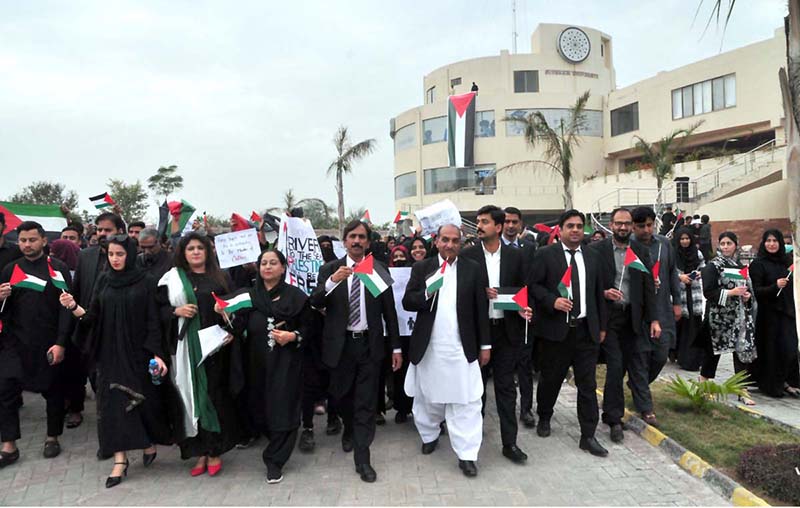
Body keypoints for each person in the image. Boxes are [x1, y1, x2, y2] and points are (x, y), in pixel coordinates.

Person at [59, 235, 171, 488]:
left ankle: (147, 443)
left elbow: (154, 321)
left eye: (120, 254)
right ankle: (120, 460)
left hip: (138, 352)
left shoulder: (147, 281)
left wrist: (156, 353)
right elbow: (91, 317)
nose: (115, 259)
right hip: (109, 353)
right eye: (111, 254)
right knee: (112, 405)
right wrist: (74, 306)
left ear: (130, 254)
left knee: (143, 402)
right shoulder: (104, 280)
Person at [309, 220, 401, 483]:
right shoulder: (330, 269)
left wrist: (395, 346)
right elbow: (314, 301)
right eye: (352, 237)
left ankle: (363, 457)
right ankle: (348, 427)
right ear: (345, 240)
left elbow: (389, 314)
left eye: (362, 237)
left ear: (368, 242)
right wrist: (330, 283)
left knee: (365, 402)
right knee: (340, 397)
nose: (357, 241)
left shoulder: (376, 270)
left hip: (369, 346)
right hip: (340, 345)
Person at [402, 224, 490, 477]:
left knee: (466, 401)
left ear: (460, 243)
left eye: (455, 240)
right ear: (436, 242)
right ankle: (429, 435)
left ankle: (467, 454)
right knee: (427, 396)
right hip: (430, 347)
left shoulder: (472, 269)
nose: (450, 245)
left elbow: (480, 310)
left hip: (462, 348)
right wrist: (429, 290)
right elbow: (408, 302)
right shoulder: (422, 268)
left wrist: (485, 345)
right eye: (445, 240)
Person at [158, 232, 242, 476]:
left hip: (214, 349)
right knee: (188, 398)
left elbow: (237, 308)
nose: (195, 252)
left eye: (200, 248)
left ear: (208, 251)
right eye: (190, 248)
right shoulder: (173, 279)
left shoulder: (221, 277)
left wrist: (228, 321)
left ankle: (214, 450)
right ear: (182, 253)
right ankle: (198, 452)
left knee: (211, 397)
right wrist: (176, 311)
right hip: (185, 350)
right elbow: (156, 311)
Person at [224, 249, 312, 484]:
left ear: (283, 268)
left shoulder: (297, 298)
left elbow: (310, 329)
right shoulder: (249, 297)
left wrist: (292, 336)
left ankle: (275, 460)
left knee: (284, 408)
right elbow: (236, 327)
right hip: (256, 364)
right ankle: (266, 439)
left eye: (274, 263)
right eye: (264, 263)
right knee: (261, 409)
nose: (268, 267)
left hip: (286, 364)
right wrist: (225, 314)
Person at [527, 210, 609, 457]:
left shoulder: (593, 256)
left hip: (585, 331)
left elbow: (598, 294)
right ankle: (544, 415)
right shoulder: (545, 255)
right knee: (551, 379)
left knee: (588, 384)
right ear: (560, 230)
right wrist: (552, 301)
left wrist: (601, 326)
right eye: (570, 226)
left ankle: (588, 435)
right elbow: (533, 286)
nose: (575, 230)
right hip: (556, 331)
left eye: (579, 226)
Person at [462, 206, 532, 464]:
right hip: (478, 332)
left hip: (507, 332)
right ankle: (471, 444)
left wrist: (523, 306)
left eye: (484, 222)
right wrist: (482, 293)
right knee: (474, 391)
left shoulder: (517, 256)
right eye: (478, 221)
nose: (479, 226)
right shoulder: (467, 256)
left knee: (505, 389)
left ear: (499, 227)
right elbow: (462, 296)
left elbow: (525, 289)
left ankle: (510, 443)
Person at [0, 221, 73, 467]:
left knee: (53, 392)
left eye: (32, 240)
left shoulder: (57, 268)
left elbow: (67, 309)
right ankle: (9, 445)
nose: (27, 245)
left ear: (43, 241)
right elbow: (3, 311)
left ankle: (52, 437)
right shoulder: (10, 269)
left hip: (48, 342)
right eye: (22, 240)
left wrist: (61, 342)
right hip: (14, 344)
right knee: (6, 390)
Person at [590, 208, 659, 437]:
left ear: (631, 226)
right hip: (608, 317)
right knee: (616, 366)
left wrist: (654, 319)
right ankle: (614, 419)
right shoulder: (596, 250)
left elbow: (648, 286)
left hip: (633, 317)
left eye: (627, 224)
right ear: (610, 225)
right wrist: (603, 292)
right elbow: (588, 284)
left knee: (632, 364)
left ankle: (622, 409)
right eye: (618, 223)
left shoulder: (639, 250)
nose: (623, 228)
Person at [69, 212, 127, 432]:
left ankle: (116, 427)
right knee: (95, 378)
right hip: (89, 327)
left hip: (117, 330)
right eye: (99, 229)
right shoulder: (85, 256)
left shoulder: (131, 258)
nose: (102, 233)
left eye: (107, 230)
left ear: (120, 232)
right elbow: (76, 291)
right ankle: (106, 426)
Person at [630, 207, 680, 422]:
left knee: (660, 355)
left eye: (650, 225)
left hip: (663, 308)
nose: (646, 229)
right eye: (641, 226)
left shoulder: (664, 244)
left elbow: (672, 273)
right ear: (633, 226)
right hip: (639, 312)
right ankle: (645, 407)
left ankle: (636, 384)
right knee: (640, 358)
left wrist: (677, 302)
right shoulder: (629, 246)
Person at [698, 232, 757, 405]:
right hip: (718, 317)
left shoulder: (740, 266)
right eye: (722, 243)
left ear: (735, 244)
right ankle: (704, 383)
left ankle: (741, 388)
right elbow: (708, 292)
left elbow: (748, 289)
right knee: (712, 352)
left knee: (741, 352)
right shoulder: (713, 266)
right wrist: (731, 293)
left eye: (729, 243)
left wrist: (746, 296)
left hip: (738, 316)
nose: (725, 247)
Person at [749, 229, 798, 398]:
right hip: (768, 314)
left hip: (787, 311)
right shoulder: (758, 264)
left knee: (790, 349)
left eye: (775, 241)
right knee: (772, 351)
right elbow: (757, 290)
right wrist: (775, 286)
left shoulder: (786, 262)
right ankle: (771, 385)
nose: (771, 244)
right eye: (768, 240)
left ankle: (787, 381)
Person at [672, 228, 705, 371]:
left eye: (687, 239)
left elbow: (703, 268)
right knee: (681, 325)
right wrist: (681, 277)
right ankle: (677, 354)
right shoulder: (673, 254)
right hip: (680, 294)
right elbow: (669, 272)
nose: (685, 241)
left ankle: (693, 358)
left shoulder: (697, 253)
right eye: (682, 239)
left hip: (694, 293)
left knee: (694, 325)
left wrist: (697, 274)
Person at [388, 245, 414, 423]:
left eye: (401, 256)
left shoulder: (417, 272)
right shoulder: (387, 275)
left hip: (415, 330)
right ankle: (401, 408)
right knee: (398, 371)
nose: (398, 259)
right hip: (395, 330)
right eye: (395, 256)